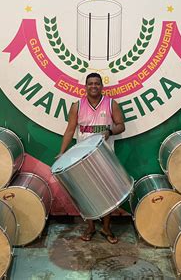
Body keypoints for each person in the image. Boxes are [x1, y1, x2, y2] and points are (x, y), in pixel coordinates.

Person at [58, 72, 125, 244]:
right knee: (85, 193)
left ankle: (106, 228)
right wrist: (62, 151)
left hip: (105, 155)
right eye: (90, 83)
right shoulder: (77, 106)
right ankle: (90, 227)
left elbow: (121, 126)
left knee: (107, 193)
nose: (93, 86)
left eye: (97, 83)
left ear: (101, 86)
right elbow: (70, 130)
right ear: (85, 86)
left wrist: (109, 131)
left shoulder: (111, 104)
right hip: (82, 158)